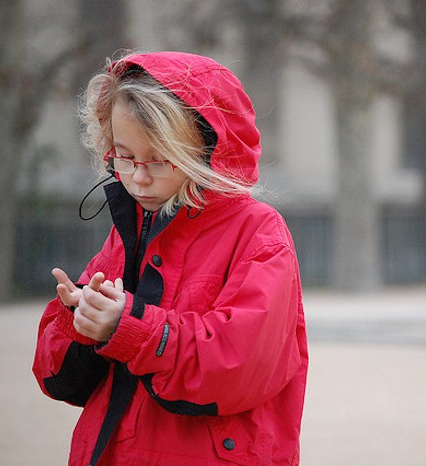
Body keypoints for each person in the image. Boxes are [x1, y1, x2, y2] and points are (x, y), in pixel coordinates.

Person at [32, 51, 308, 466]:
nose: (139, 177)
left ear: (205, 152)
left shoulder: (258, 231)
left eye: (160, 160)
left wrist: (128, 326)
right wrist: (81, 319)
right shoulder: (131, 225)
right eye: (124, 156)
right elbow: (57, 376)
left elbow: (239, 365)